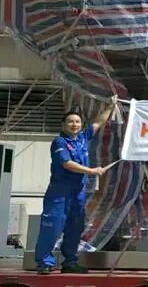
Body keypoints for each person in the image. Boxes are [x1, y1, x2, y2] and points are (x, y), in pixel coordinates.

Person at [34, 99, 116, 274]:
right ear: (63, 125)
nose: (74, 124)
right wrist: (92, 171)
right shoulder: (60, 142)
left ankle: (70, 262)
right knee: (52, 227)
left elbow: (98, 122)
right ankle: (44, 262)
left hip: (77, 193)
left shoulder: (82, 138)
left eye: (77, 122)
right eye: (70, 121)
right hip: (59, 194)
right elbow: (67, 164)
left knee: (75, 228)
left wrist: (111, 106)